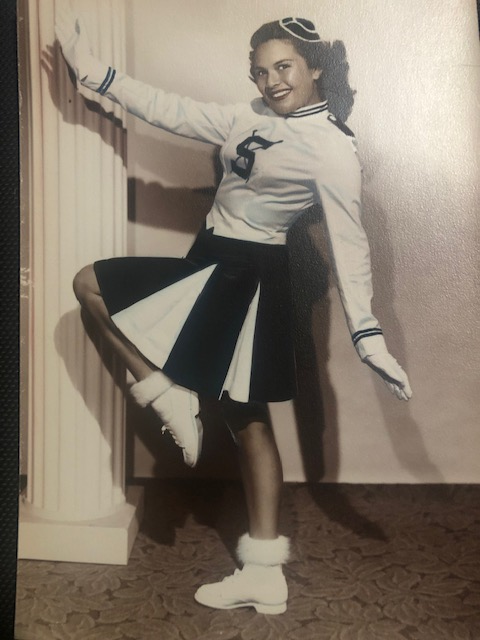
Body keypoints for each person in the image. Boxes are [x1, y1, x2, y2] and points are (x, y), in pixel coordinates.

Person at [55, 9, 412, 615]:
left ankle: (264, 573)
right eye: (261, 72)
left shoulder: (332, 148)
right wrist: (93, 72)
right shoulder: (246, 115)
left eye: (284, 67)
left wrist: (368, 335)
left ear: (315, 68)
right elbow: (169, 108)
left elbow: (351, 245)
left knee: (247, 422)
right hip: (209, 259)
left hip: (252, 276)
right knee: (91, 287)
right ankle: (168, 393)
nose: (272, 82)